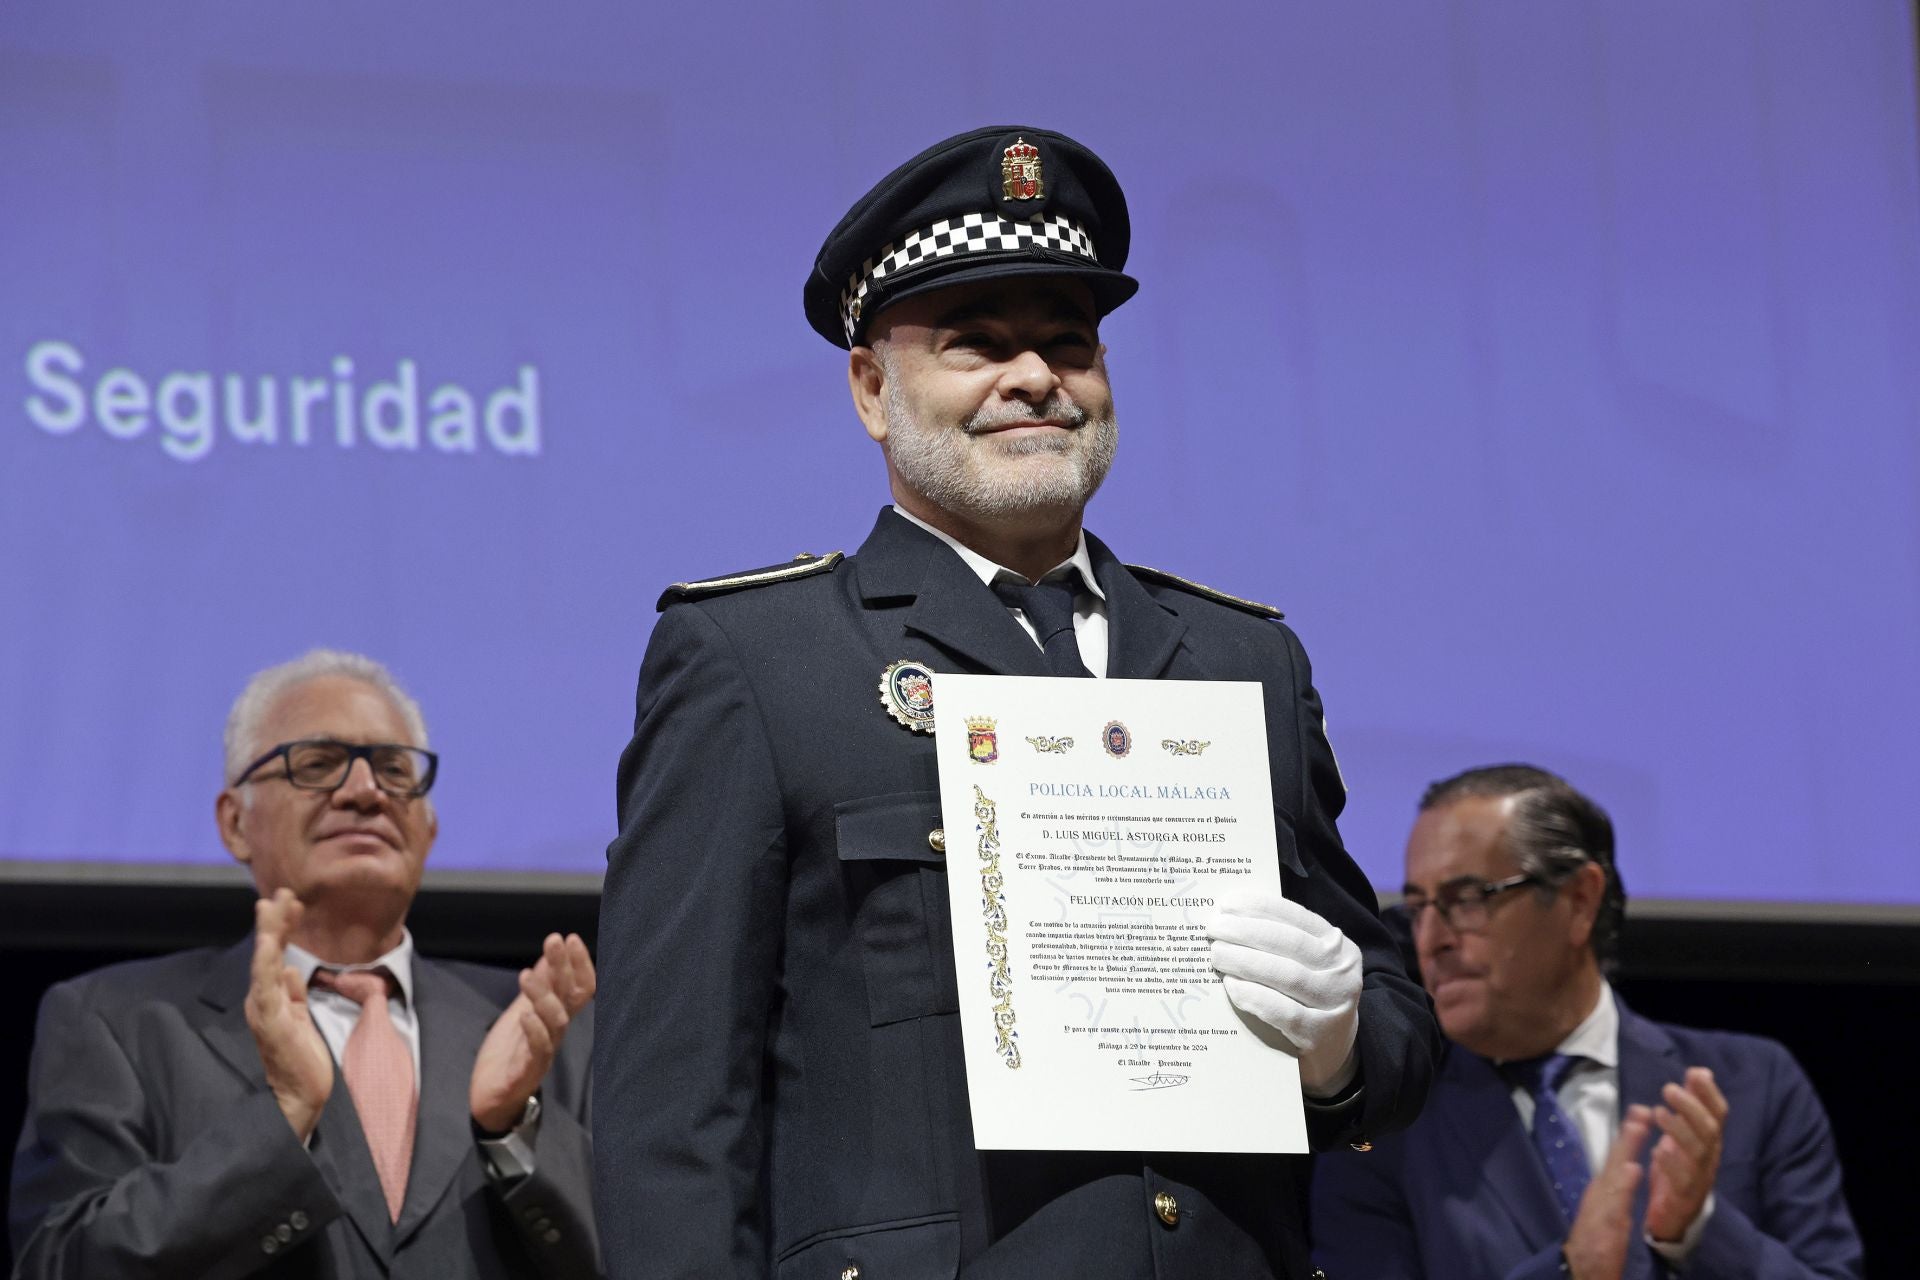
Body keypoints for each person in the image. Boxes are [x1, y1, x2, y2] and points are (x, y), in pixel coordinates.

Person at [595, 125, 1439, 1280]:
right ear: (871, 389)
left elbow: (1394, 1029)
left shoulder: (1245, 661)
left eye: (1069, 344)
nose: (1035, 377)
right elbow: (671, 1109)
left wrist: (1340, 1045)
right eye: (975, 344)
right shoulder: (759, 658)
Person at [9, 650, 601, 1279]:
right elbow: (61, 1264)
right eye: (317, 765)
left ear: (428, 828)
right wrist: (284, 1118)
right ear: (236, 823)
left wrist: (511, 1131)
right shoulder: (116, 1023)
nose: (365, 792)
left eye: (394, 771)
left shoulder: (547, 1028)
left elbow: (662, 1257)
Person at [1311, 764, 1863, 1279]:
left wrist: (1697, 1230)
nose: (1432, 940)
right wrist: (1571, 1267)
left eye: (1468, 898)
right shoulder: (1385, 1129)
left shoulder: (1754, 1084)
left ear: (1579, 900)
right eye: (1418, 907)